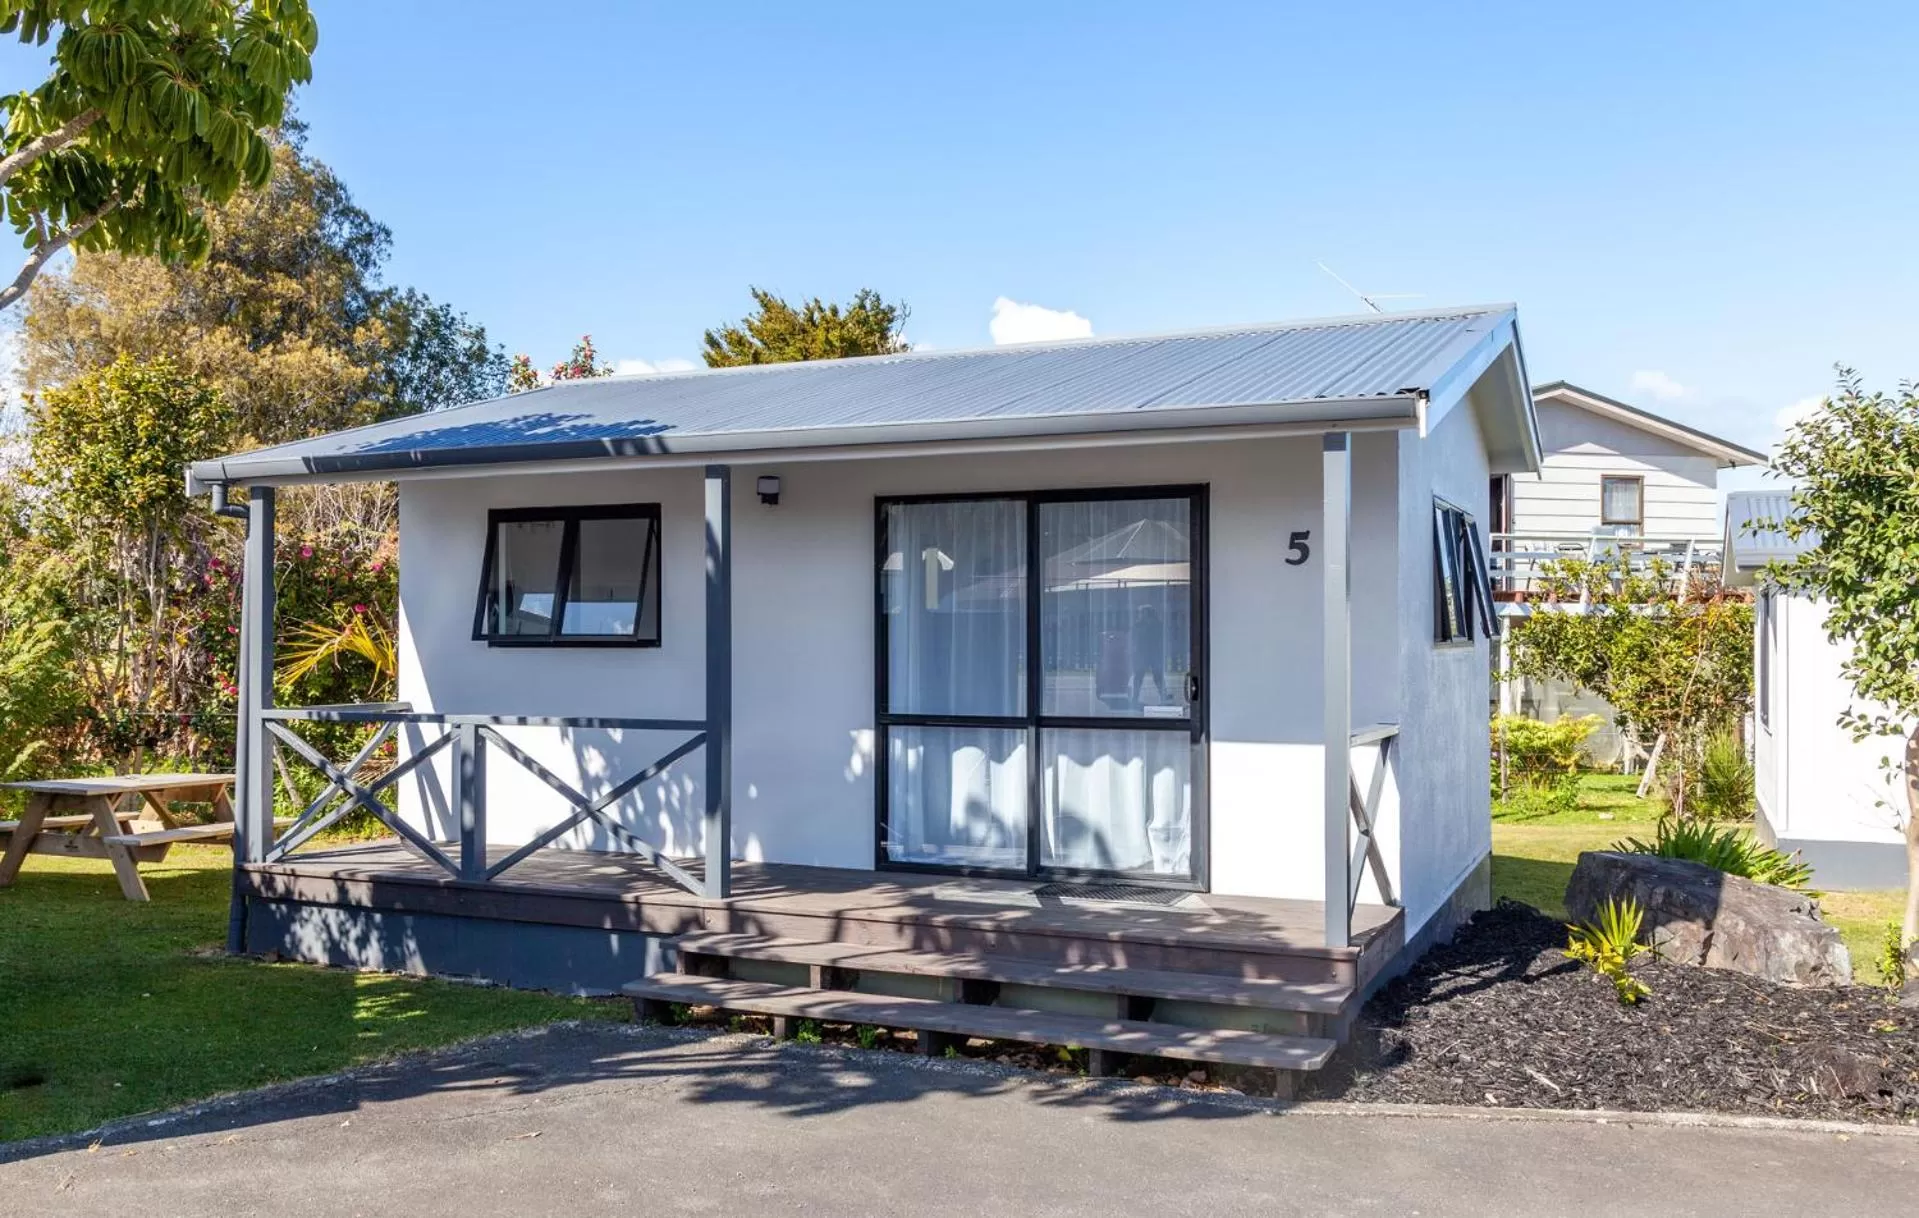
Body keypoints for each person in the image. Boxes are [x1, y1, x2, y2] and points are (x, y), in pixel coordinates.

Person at [1129, 602, 1165, 705]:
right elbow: (1133, 639)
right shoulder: (1137, 625)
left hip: (1154, 653)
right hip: (1142, 654)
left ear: (1148, 613)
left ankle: (1164, 697)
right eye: (1140, 613)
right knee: (1138, 676)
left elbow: (1161, 639)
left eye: (1142, 613)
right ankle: (1135, 698)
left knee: (1158, 676)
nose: (1140, 615)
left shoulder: (1158, 624)